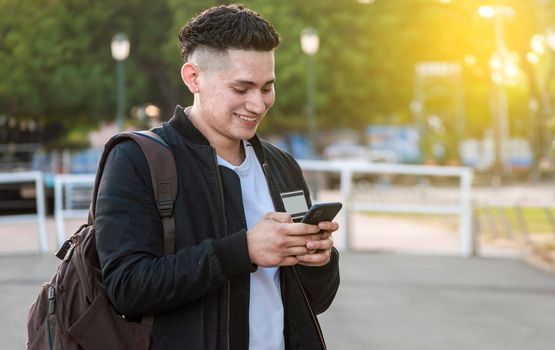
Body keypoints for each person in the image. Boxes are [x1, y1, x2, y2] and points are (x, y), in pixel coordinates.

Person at [96, 4, 340, 350]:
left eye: (267, 87)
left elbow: (315, 300)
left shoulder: (283, 166)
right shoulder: (136, 159)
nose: (258, 104)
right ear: (193, 77)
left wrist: (319, 260)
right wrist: (244, 249)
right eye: (241, 89)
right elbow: (128, 289)